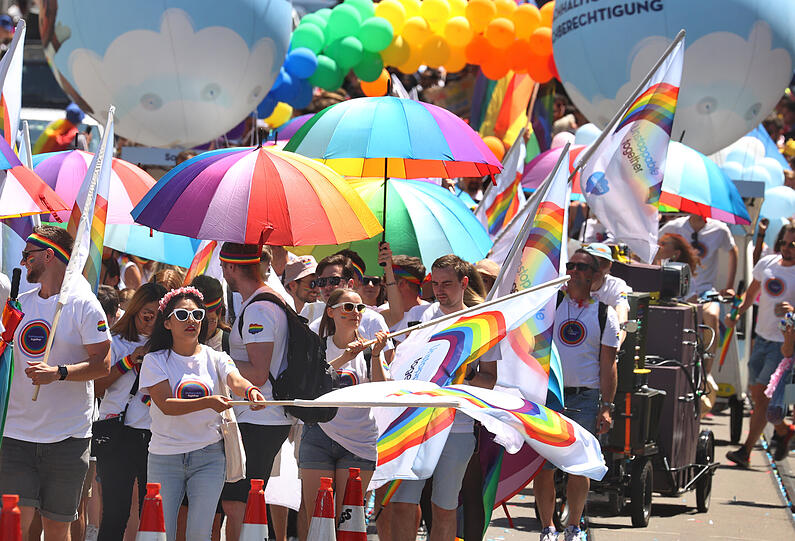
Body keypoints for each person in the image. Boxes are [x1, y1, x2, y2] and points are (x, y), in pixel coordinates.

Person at [0, 226, 112, 540]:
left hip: (67, 437)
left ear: (49, 255)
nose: (22, 262)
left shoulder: (83, 304)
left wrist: (59, 373)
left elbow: (103, 364)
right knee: (13, 526)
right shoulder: (19, 304)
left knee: (57, 529)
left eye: (28, 255)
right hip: (15, 435)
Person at [139, 286, 266, 541]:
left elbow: (235, 380)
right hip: (165, 456)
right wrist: (208, 402)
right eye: (182, 315)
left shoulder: (217, 357)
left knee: (200, 532)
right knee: (161, 533)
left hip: (209, 456)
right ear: (167, 323)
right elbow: (165, 404)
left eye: (197, 315)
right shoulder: (155, 360)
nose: (192, 321)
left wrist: (250, 390)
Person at [391, 255, 497, 541]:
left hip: (457, 427)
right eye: (435, 283)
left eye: (447, 283)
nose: (439, 290)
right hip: (416, 424)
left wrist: (464, 376)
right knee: (402, 505)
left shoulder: (482, 323)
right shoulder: (421, 316)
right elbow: (401, 363)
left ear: (464, 283)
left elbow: (489, 379)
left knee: (444, 508)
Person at [534, 249, 619, 541]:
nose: (574, 271)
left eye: (582, 267)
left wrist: (606, 406)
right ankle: (547, 528)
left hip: (585, 398)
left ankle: (573, 527)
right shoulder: (551, 304)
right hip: (549, 395)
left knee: (578, 466)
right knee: (543, 466)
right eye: (570, 266)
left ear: (595, 276)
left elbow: (608, 364)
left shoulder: (604, 314)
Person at [218, 243, 292, 541]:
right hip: (261, 416)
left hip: (259, 417)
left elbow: (259, 374)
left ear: (231, 267)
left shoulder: (259, 308)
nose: (223, 273)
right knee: (244, 500)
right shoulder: (267, 300)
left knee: (237, 502)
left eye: (223, 267)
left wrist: (217, 360)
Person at [299, 288, 389, 522]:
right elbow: (309, 386)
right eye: (348, 307)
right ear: (331, 312)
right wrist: (344, 358)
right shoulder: (316, 346)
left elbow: (381, 393)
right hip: (318, 434)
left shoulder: (369, 350)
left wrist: (376, 355)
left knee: (346, 521)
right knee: (317, 518)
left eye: (360, 308)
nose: (355, 312)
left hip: (359, 441)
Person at [93, 283, 166, 540]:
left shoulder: (168, 346)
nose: (152, 322)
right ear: (135, 311)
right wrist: (128, 362)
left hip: (156, 436)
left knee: (153, 514)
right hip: (117, 434)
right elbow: (96, 387)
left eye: (159, 317)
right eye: (147, 315)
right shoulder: (116, 341)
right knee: (115, 514)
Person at [725, 224, 795, 466]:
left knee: (764, 398)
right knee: (756, 395)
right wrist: (736, 312)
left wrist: (792, 310)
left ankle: (745, 451)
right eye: (784, 243)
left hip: (783, 344)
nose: (787, 248)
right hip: (761, 338)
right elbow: (750, 293)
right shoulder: (767, 264)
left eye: (792, 245)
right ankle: (784, 431)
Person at [659, 214, 738, 371]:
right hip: (678, 289)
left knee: (712, 315)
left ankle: (707, 371)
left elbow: (733, 251)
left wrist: (730, 286)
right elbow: (655, 246)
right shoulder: (674, 226)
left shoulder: (720, 229)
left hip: (706, 289)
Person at [584, 243, 632, 341]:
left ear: (609, 266)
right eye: (592, 262)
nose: (596, 268)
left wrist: (616, 344)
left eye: (602, 263)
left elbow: (622, 321)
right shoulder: (570, 282)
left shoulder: (616, 285)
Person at [191, 275, 230, 354]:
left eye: (210, 321)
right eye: (199, 320)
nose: (203, 327)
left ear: (219, 314)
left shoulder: (228, 344)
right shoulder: (179, 342)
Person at [655, 233, 700, 299]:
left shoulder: (685, 276)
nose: (657, 246)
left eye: (663, 244)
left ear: (676, 254)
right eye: (657, 242)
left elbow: (692, 298)